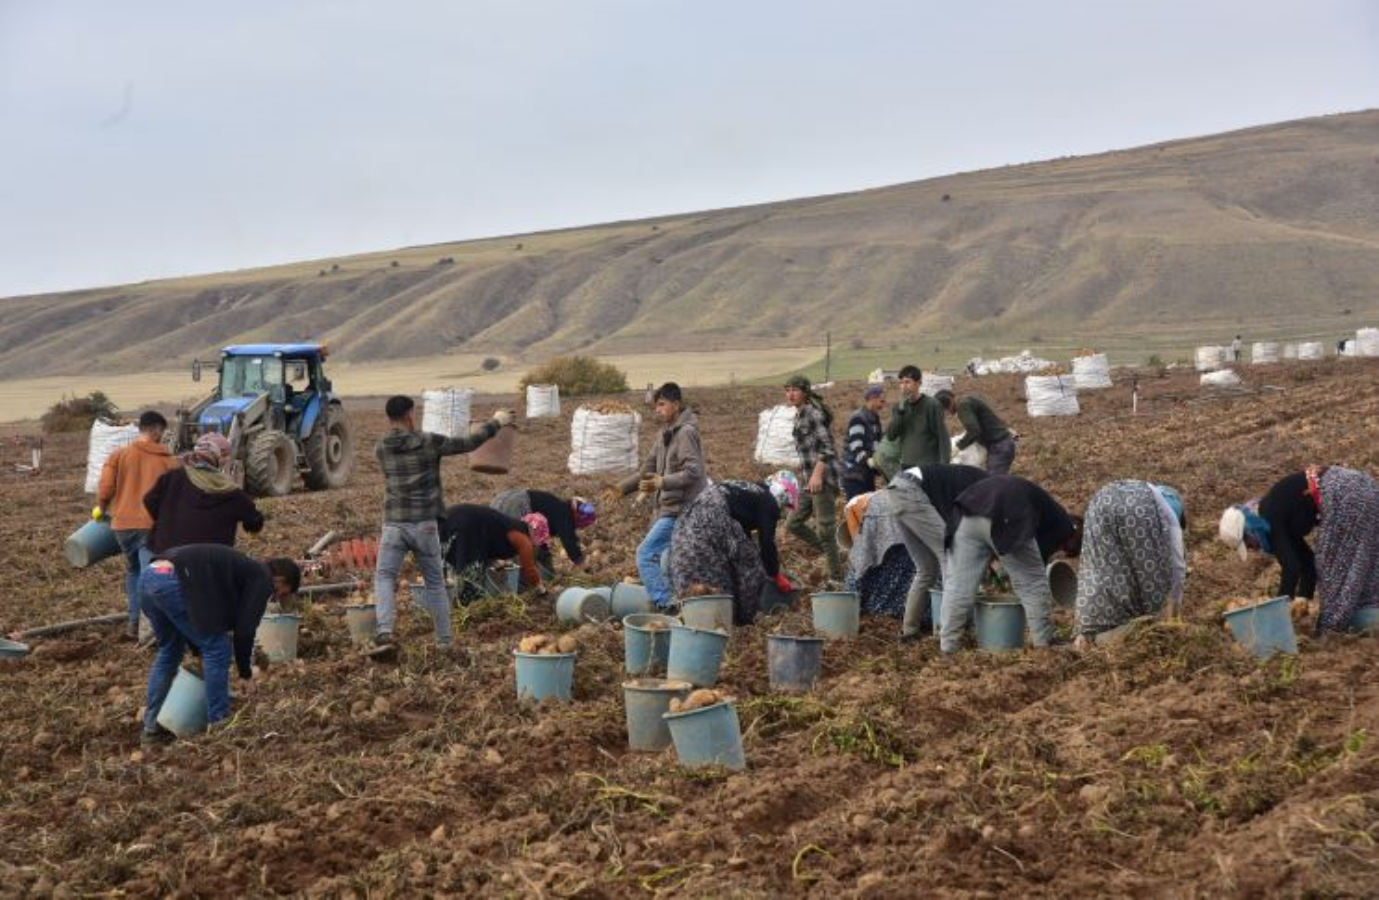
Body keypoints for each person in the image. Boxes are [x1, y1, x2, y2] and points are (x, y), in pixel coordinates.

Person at [371, 395, 514, 652]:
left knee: (384, 576)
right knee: (435, 582)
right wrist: (496, 422)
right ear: (410, 414)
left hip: (394, 524)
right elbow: (469, 443)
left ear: (388, 417)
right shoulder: (429, 441)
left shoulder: (381, 448)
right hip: (425, 524)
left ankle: (384, 632)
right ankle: (445, 641)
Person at [139, 544, 300, 745]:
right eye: (284, 593)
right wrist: (245, 674)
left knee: (170, 651)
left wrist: (198, 649)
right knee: (218, 649)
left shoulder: (239, 570)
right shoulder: (262, 578)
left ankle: (151, 727)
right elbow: (245, 630)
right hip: (174, 581)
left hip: (150, 575)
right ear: (280, 580)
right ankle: (220, 726)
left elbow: (203, 616)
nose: (277, 597)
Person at [1219, 466, 1379, 633]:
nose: (1253, 549)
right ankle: (1368, 613)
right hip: (1362, 487)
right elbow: (1307, 563)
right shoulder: (1277, 513)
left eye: (1249, 544)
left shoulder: (1269, 515)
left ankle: (1333, 628)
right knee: (1361, 561)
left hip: (1346, 495)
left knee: (1332, 565)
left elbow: (1291, 567)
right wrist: (1302, 600)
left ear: (1249, 530)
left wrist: (1276, 616)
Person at [941, 474, 1082, 654]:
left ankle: (948, 647)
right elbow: (1032, 569)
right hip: (1007, 506)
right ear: (1071, 542)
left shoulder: (1050, 511)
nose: (1059, 556)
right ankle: (1045, 642)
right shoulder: (1064, 527)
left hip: (967, 510)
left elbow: (1012, 554)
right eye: (1066, 554)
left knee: (958, 586)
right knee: (1033, 583)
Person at [613, 383, 705, 611]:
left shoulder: (686, 433)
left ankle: (666, 604)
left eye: (662, 404)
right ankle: (684, 601)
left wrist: (663, 481)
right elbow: (647, 469)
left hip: (682, 508)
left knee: (646, 554)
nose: (658, 410)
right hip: (668, 507)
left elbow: (694, 471)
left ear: (676, 404)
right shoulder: (664, 434)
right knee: (668, 559)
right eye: (656, 406)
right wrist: (622, 488)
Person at [95, 410, 180, 639]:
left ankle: (134, 623)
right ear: (155, 431)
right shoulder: (169, 462)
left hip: (122, 526)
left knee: (134, 571)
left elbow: (105, 489)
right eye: (161, 432)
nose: (162, 436)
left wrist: (101, 509)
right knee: (149, 574)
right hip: (152, 526)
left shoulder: (119, 455)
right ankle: (148, 629)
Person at [1074, 481, 1186, 647]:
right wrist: (1174, 609)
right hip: (1137, 507)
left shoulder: (1149, 490)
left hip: (1099, 501)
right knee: (1151, 571)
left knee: (1100, 566)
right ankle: (1149, 626)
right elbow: (1177, 564)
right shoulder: (1166, 513)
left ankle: (1087, 632)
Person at [887, 463, 991, 639]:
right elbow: (963, 529)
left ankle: (910, 631)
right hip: (911, 491)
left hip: (895, 490)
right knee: (950, 557)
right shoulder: (987, 487)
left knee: (926, 569)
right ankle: (948, 631)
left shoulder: (976, 480)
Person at [143, 432, 264, 553]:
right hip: (211, 560)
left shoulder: (172, 477)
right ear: (218, 462)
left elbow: (148, 500)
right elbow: (255, 521)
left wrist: (167, 519)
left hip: (167, 554)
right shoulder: (230, 490)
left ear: (193, 455)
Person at [668, 484, 768, 625]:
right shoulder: (723, 522)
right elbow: (749, 572)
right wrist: (747, 618)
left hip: (684, 558)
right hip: (708, 570)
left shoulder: (688, 520)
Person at [783, 375, 844, 582]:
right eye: (788, 390)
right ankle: (834, 554)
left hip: (822, 479)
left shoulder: (813, 414)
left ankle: (837, 577)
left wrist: (817, 475)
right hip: (809, 479)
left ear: (805, 392)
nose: (790, 394)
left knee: (826, 529)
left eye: (795, 390)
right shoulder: (799, 414)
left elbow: (827, 448)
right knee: (793, 523)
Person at [714, 471, 799, 595]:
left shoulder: (754, 493)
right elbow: (766, 542)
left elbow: (743, 533)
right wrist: (775, 574)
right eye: (786, 504)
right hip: (716, 511)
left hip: (703, 500)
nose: (783, 507)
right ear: (783, 493)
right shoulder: (769, 503)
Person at [441, 504, 544, 599]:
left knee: (445, 561)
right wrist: (540, 588)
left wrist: (494, 561)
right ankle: (467, 603)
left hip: (450, 517)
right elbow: (529, 569)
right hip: (467, 523)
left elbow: (489, 540)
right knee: (471, 574)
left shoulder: (509, 524)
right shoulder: (523, 538)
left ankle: (445, 598)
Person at [841, 491, 914, 620]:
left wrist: (848, 595)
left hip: (883, 518)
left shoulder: (851, 508)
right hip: (910, 521)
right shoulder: (870, 498)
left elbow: (859, 556)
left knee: (862, 566)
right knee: (906, 569)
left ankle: (877, 611)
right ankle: (903, 611)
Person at [491, 489, 596, 571]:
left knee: (500, 541)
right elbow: (569, 541)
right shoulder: (564, 513)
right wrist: (582, 564)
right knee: (519, 548)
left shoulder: (555, 508)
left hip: (503, 498)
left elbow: (540, 540)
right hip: (515, 504)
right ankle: (520, 585)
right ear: (576, 513)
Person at [935, 389, 1017, 475]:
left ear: (949, 403)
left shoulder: (962, 406)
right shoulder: (966, 401)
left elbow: (974, 430)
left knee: (994, 482)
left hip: (999, 446)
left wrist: (959, 447)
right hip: (1001, 444)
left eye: (945, 410)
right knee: (993, 481)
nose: (948, 413)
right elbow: (982, 423)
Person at [885, 365, 951, 467]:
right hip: (907, 464)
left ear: (918, 383)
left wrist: (945, 465)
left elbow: (943, 437)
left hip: (928, 465)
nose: (903, 386)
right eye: (901, 383)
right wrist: (901, 411)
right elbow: (891, 435)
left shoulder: (932, 405)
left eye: (907, 382)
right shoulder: (899, 408)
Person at [842, 385, 886, 500]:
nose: (884, 402)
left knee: (869, 509)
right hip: (854, 475)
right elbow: (856, 447)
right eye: (882, 399)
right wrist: (869, 462)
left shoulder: (875, 418)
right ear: (872, 398)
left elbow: (876, 444)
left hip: (867, 474)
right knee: (856, 510)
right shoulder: (858, 418)